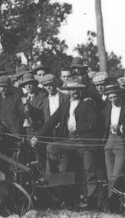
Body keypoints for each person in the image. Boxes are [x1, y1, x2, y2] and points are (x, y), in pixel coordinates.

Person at [42, 79, 103, 209]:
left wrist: (78, 127)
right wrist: (36, 136)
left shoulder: (87, 104)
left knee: (90, 171)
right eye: (71, 90)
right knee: (51, 148)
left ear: (81, 91)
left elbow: (94, 123)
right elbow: (52, 120)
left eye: (77, 89)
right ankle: (54, 184)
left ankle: (92, 202)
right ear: (68, 92)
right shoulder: (66, 104)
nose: (74, 92)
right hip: (70, 140)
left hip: (85, 141)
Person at [101, 82, 125, 211]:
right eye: (111, 98)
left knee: (116, 176)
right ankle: (112, 205)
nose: (113, 100)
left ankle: (112, 204)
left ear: (120, 96)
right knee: (110, 177)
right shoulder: (107, 109)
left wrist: (121, 128)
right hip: (109, 142)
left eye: (115, 97)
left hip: (121, 141)